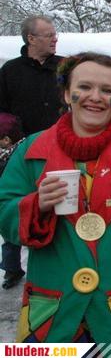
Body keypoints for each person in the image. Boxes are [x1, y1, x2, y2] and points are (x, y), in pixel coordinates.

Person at [0, 53, 111, 346]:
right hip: (52, 305)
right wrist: (36, 205)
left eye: (107, 90)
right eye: (84, 87)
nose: (96, 97)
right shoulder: (32, 150)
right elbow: (4, 213)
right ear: (66, 93)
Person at [0, 15, 64, 290]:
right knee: (21, 202)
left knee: (57, 203)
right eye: (49, 34)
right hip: (22, 153)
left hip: (60, 150)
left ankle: (58, 261)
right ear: (31, 39)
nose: (54, 38)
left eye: (55, 34)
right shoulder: (10, 71)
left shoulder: (63, 67)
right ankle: (12, 266)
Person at [0, 113, 25, 289]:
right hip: (10, 204)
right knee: (10, 238)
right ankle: (12, 269)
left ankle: (12, 270)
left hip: (20, 202)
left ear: (6, 140)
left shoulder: (19, 155)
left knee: (12, 237)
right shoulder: (5, 154)